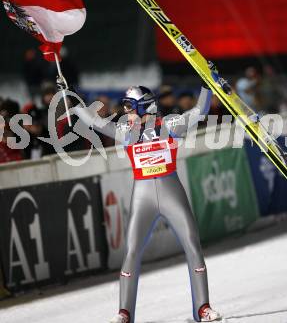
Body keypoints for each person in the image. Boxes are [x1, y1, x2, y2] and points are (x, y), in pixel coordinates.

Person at [66, 65, 229, 323]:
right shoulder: (127, 133)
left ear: (144, 107)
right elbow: (96, 122)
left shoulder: (170, 124)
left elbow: (200, 112)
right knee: (131, 252)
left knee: (192, 245)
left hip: (170, 190)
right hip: (142, 195)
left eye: (130, 107)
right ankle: (124, 313)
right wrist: (73, 100)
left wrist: (207, 85)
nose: (126, 113)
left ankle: (203, 308)